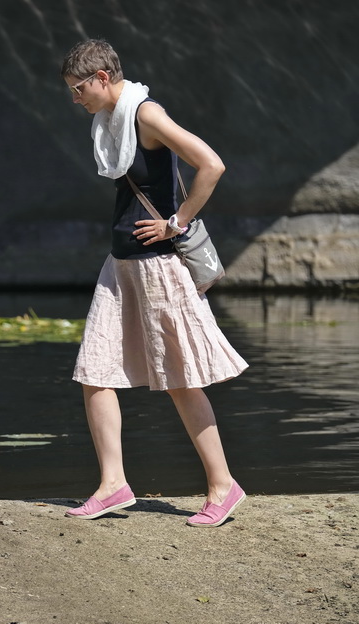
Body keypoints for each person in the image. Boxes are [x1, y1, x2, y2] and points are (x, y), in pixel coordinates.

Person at [59, 40, 248, 527]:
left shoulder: (145, 115)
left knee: (181, 380)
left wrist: (176, 222)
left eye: (79, 89)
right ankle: (113, 485)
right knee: (95, 371)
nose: (75, 99)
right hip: (119, 266)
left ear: (102, 77)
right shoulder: (111, 122)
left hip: (158, 265)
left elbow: (212, 164)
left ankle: (223, 487)